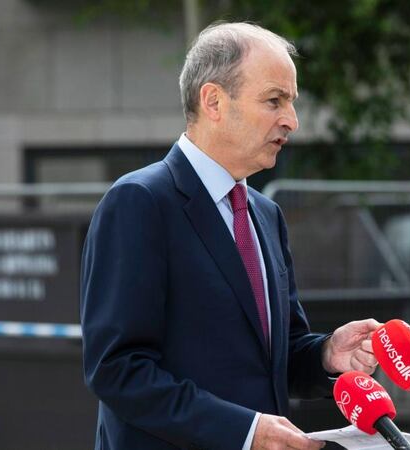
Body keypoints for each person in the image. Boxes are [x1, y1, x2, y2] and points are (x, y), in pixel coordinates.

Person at [80, 22, 380, 450]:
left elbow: (275, 357)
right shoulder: (139, 202)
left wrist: (328, 354)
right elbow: (117, 370)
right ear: (214, 101)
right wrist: (243, 431)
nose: (291, 120)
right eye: (274, 100)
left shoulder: (265, 213)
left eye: (291, 103)